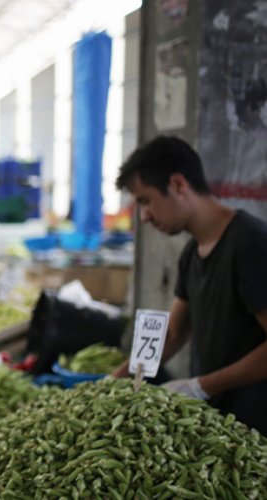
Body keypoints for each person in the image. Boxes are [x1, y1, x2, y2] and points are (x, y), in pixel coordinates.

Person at [113, 135, 267, 435]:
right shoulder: (192, 254)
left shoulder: (251, 245)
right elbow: (174, 331)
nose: (144, 217)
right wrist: (114, 381)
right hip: (220, 422)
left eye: (145, 201)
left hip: (257, 428)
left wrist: (201, 386)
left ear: (178, 184)